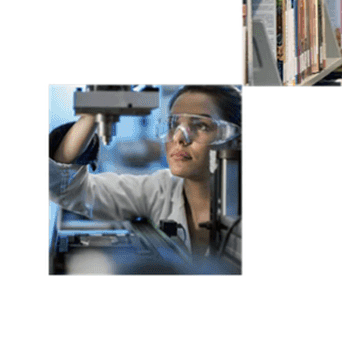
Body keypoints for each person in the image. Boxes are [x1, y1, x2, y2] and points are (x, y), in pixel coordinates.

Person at [49, 87, 242, 264]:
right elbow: (66, 188)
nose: (179, 137)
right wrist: (93, 115)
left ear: (237, 140)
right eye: (174, 125)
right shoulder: (160, 189)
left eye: (201, 125)